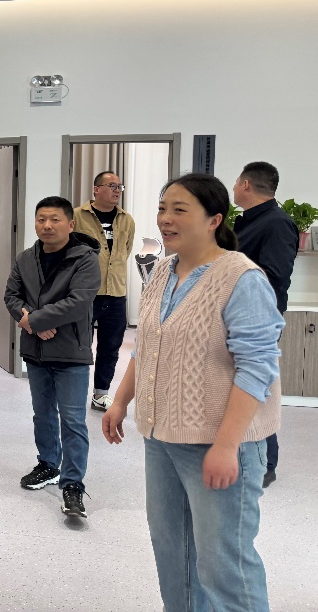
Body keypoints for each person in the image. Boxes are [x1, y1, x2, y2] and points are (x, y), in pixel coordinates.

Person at [102, 173, 283, 612]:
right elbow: (148, 345)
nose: (165, 219)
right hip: (162, 440)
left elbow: (257, 368)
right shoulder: (162, 271)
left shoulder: (242, 278)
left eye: (179, 210)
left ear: (214, 219)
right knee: (173, 555)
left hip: (219, 444)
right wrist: (121, 401)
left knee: (225, 566)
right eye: (162, 208)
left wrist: (226, 445)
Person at [4, 196, 100, 518]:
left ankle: (73, 485)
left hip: (71, 352)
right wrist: (30, 321)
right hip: (36, 351)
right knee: (42, 414)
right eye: (41, 219)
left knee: (72, 420)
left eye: (55, 219)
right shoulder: (26, 258)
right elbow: (11, 296)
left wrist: (34, 320)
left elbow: (79, 301)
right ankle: (48, 464)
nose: (47, 225)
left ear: (70, 224)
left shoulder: (85, 259)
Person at [233, 161, 298, 488]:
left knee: (257, 390)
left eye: (236, 182)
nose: (234, 188)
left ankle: (265, 464)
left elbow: (274, 277)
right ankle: (242, 455)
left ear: (246, 184)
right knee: (239, 388)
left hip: (258, 321)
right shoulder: (247, 221)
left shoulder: (277, 223)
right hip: (237, 317)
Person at [73, 171, 135, 412]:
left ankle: (101, 394)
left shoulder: (126, 220)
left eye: (120, 187)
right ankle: (75, 393)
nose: (117, 190)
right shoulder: (77, 216)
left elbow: (125, 252)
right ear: (96, 189)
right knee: (80, 346)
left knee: (110, 347)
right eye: (112, 186)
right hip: (86, 293)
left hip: (116, 293)